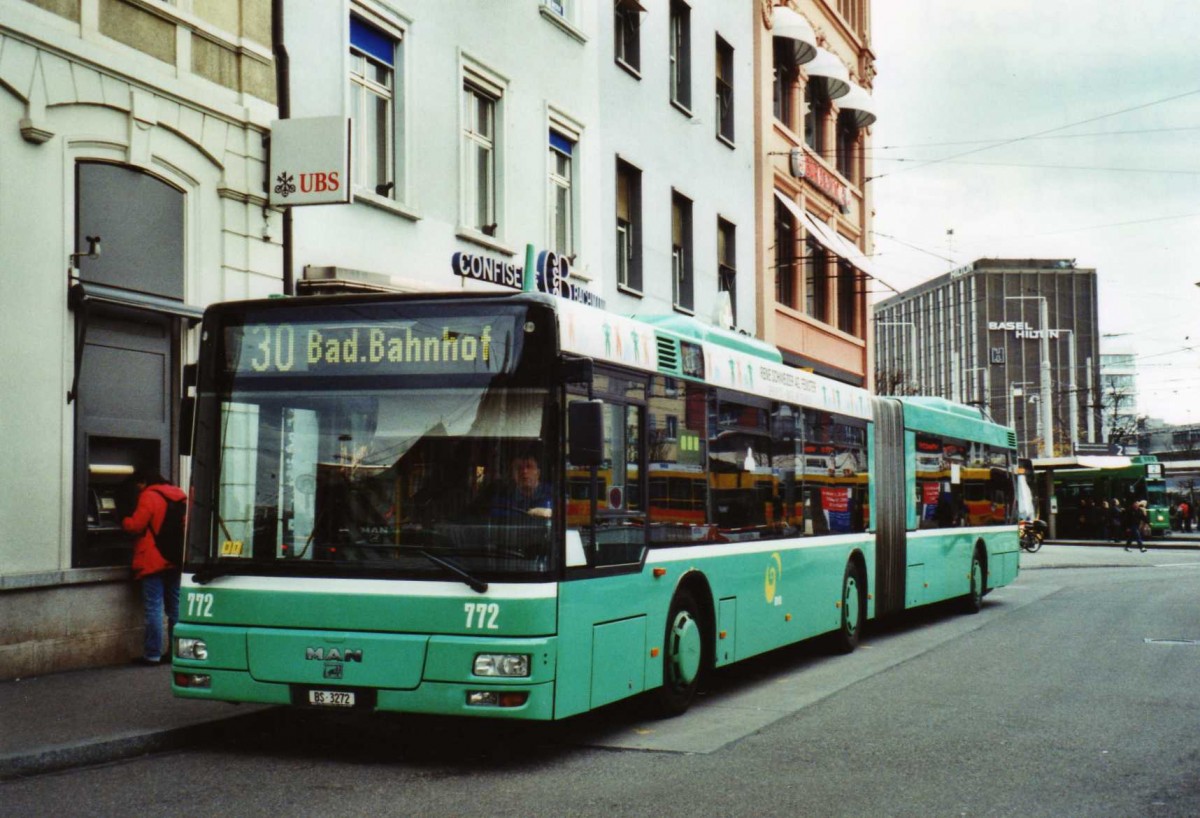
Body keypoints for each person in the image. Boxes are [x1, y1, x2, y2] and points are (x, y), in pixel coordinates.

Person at [122, 466, 186, 665]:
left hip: (153, 559)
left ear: (143, 482)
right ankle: (176, 653)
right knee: (175, 608)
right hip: (175, 559)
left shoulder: (148, 496)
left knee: (154, 607)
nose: (138, 489)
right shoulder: (180, 495)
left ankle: (152, 654)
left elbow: (136, 525)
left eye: (139, 485)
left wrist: (123, 519)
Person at [490, 451, 552, 519]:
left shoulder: (553, 495)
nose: (524, 471)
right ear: (513, 474)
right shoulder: (502, 499)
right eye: (519, 468)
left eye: (529, 466)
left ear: (538, 473)